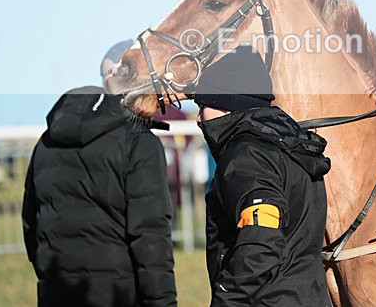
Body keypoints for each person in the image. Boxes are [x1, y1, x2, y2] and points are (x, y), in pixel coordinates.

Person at [194, 44, 331, 306]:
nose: (199, 119)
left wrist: (227, 300)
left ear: (226, 106)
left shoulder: (247, 154)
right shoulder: (290, 147)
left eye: (203, 106)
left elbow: (262, 240)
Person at [22, 85, 177, 307]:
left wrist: (52, 277)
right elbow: (150, 236)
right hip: (120, 293)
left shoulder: (44, 146)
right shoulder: (138, 143)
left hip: (57, 290)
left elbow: (31, 225)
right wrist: (163, 302)